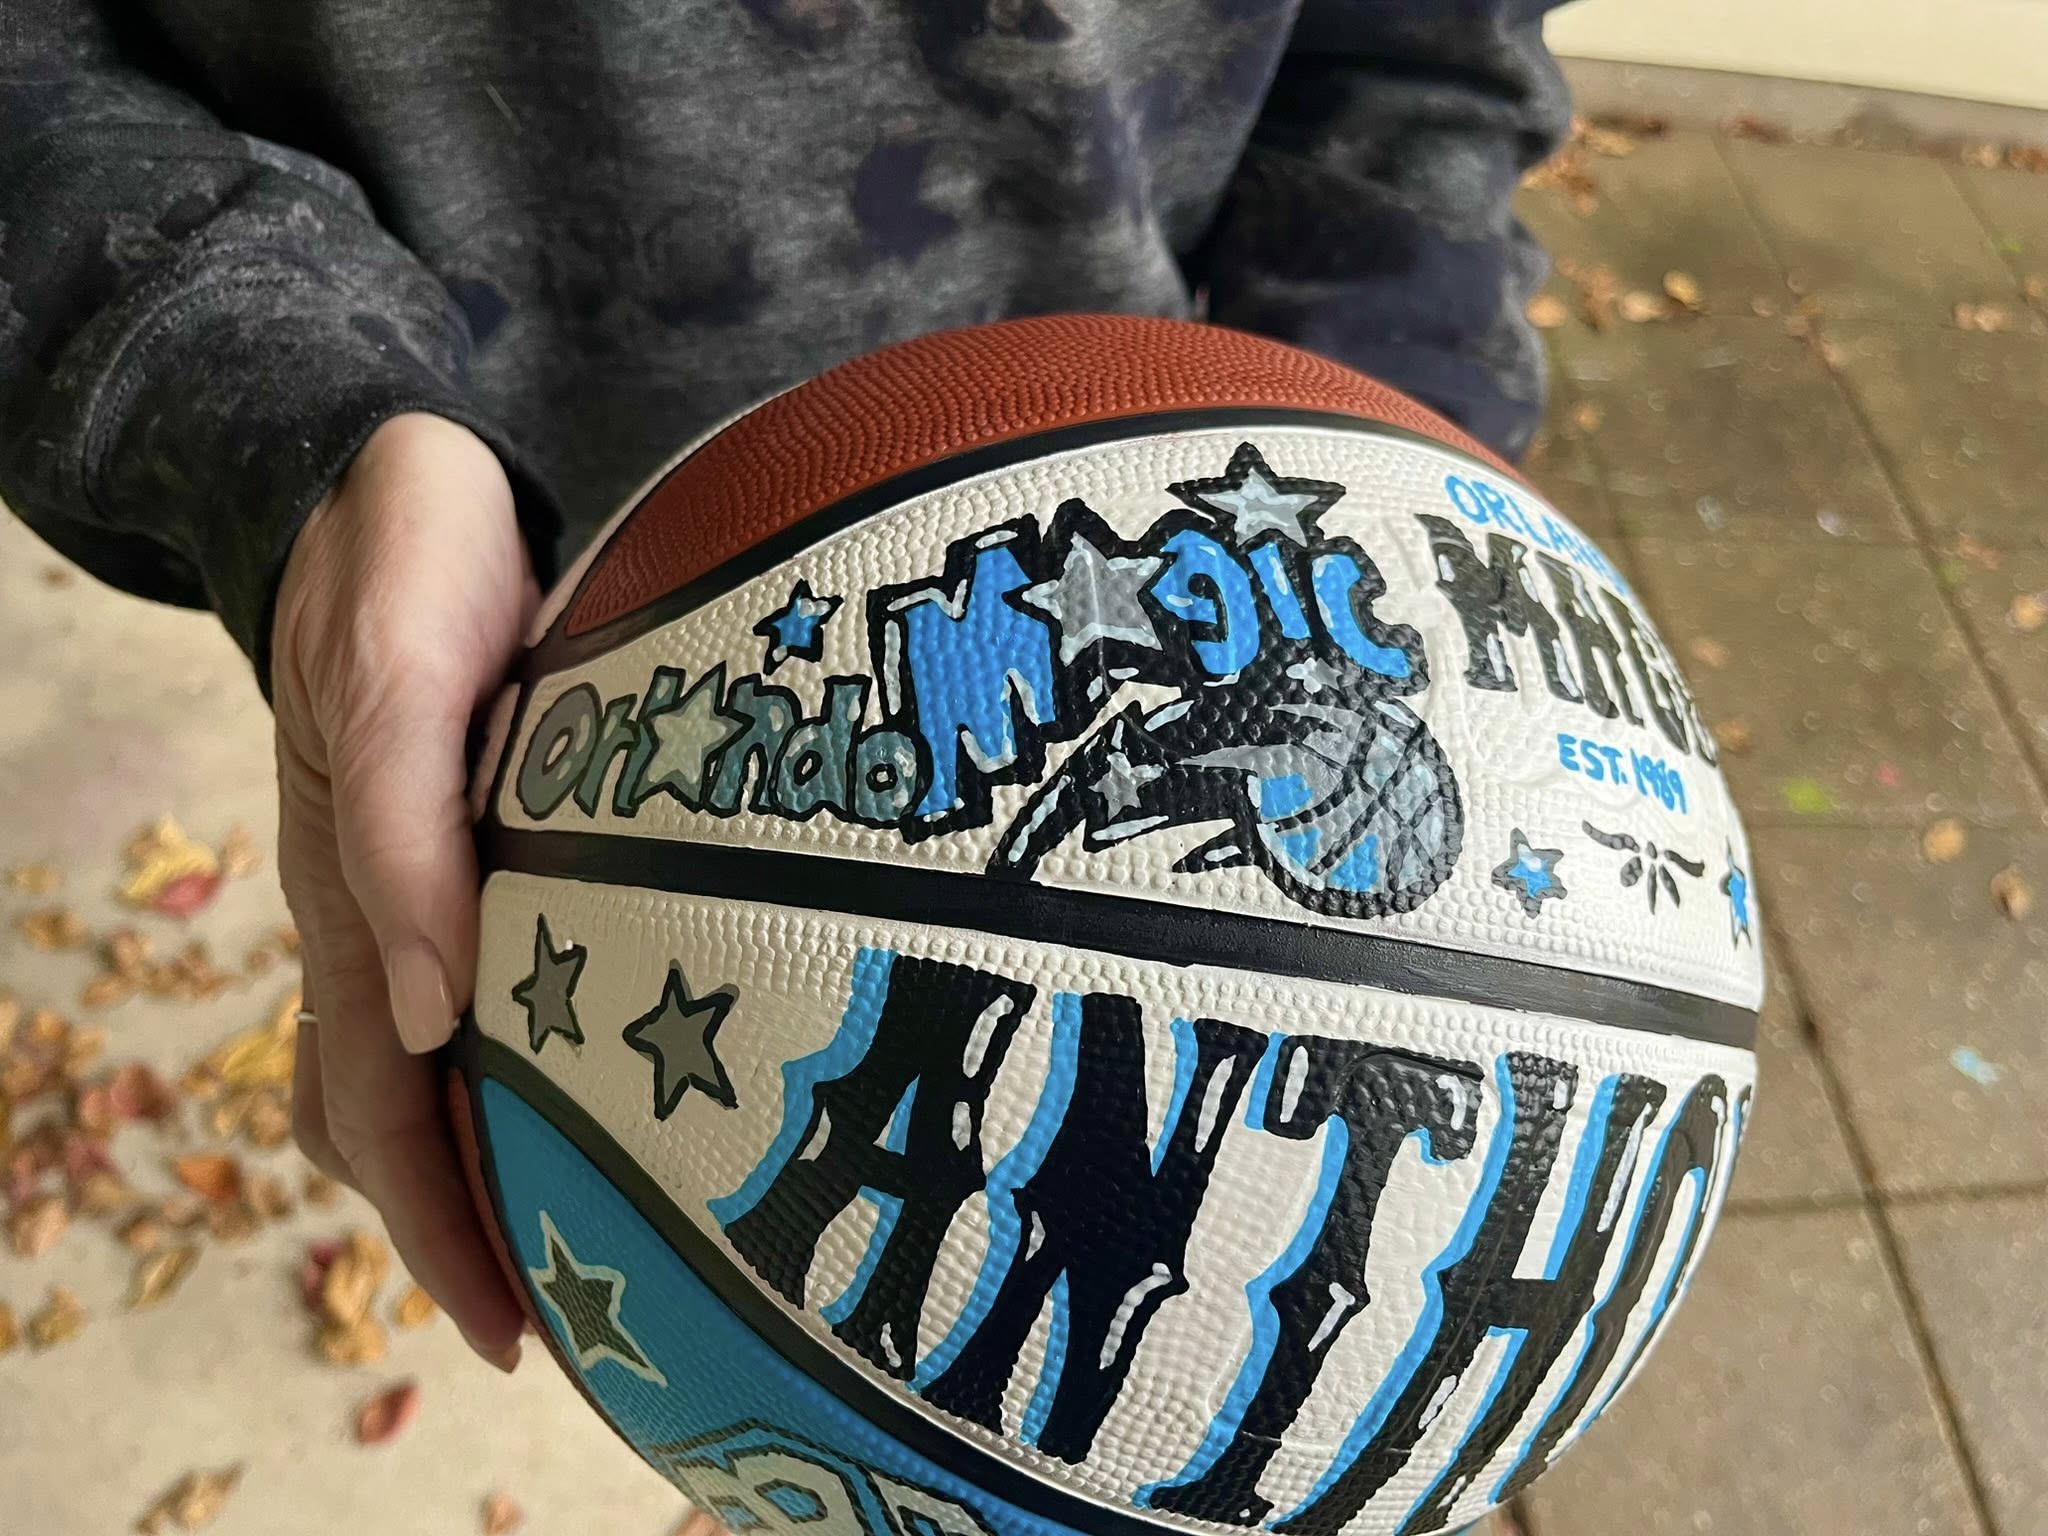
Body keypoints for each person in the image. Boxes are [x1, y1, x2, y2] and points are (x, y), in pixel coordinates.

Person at [0, 0, 1569, 1381]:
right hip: (529, 589)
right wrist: (270, 384)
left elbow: (1422, 50)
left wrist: (1389, 469)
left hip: (1154, 527)